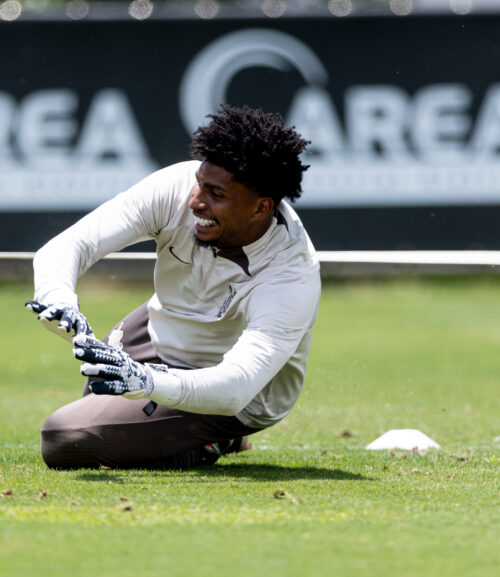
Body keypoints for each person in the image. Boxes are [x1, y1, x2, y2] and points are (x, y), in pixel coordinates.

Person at [26, 105, 319, 470]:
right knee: (98, 381)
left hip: (241, 396)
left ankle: (217, 438)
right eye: (200, 182)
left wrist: (148, 380)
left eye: (217, 194)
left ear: (261, 208)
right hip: (162, 331)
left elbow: (237, 385)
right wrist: (59, 300)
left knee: (66, 437)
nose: (196, 201)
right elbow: (69, 246)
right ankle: (168, 422)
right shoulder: (178, 188)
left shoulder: (291, 273)